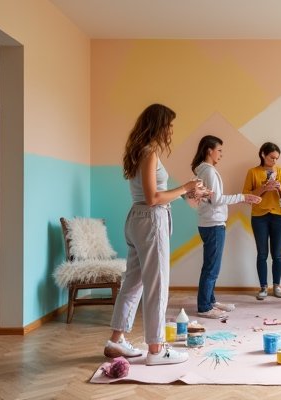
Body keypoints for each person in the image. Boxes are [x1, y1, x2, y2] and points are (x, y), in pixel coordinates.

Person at [103, 103, 207, 365]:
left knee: (133, 282)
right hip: (150, 220)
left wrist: (186, 192)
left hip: (137, 219)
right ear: (158, 125)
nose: (171, 130)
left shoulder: (138, 152)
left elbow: (151, 194)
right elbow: (153, 198)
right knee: (157, 286)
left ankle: (116, 341)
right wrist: (185, 187)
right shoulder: (149, 153)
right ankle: (156, 349)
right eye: (169, 125)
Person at [191, 135, 261, 319]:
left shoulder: (203, 170)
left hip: (209, 222)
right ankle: (204, 306)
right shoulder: (209, 172)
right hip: (213, 224)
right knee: (211, 268)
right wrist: (243, 197)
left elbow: (209, 198)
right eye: (219, 150)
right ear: (209, 150)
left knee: (211, 266)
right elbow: (217, 200)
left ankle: (211, 301)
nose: (221, 154)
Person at [242, 142, 281, 300]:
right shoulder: (253, 172)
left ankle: (277, 286)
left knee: (277, 254)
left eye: (277, 158)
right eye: (272, 157)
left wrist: (278, 188)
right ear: (263, 154)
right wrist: (264, 187)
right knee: (262, 254)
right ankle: (263, 287)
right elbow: (246, 195)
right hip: (259, 217)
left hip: (278, 215)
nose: (274, 161)